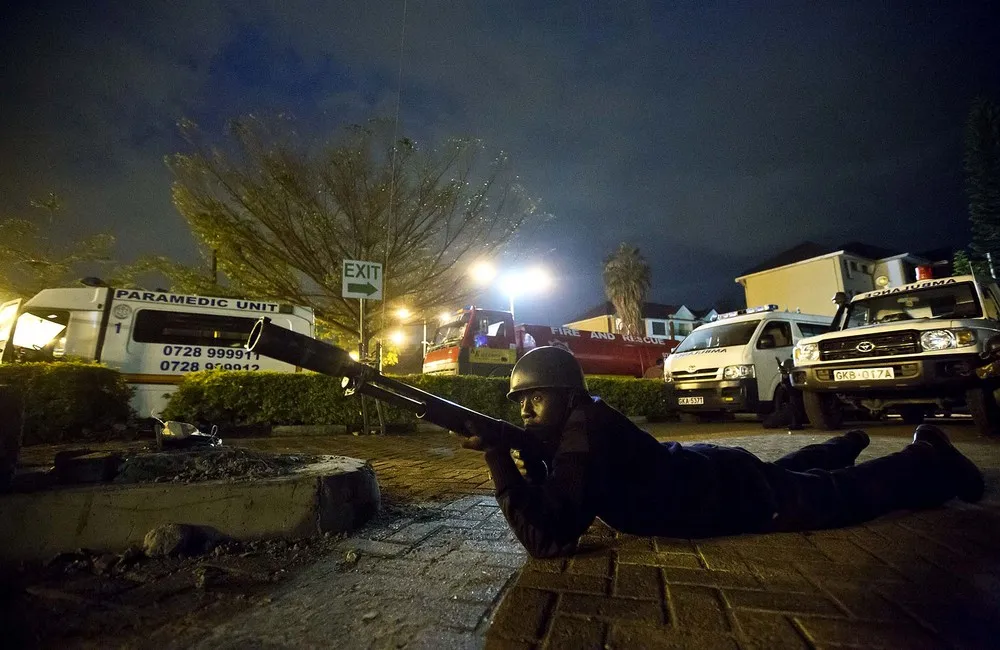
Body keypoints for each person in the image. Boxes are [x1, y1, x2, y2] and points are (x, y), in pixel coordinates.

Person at [459, 346, 986, 559]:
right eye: (520, 400)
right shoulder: (583, 419)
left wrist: (497, 457)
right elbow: (558, 494)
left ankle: (930, 459)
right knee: (783, 473)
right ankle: (843, 443)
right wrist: (520, 450)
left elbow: (547, 537)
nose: (525, 408)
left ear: (568, 394)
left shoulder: (583, 434)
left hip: (727, 493)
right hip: (710, 472)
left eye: (536, 396)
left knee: (837, 498)